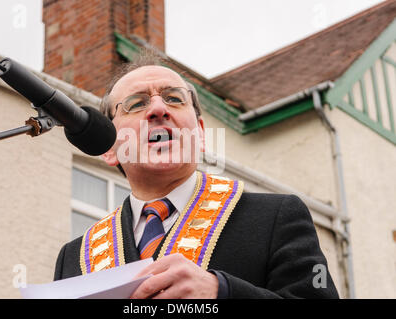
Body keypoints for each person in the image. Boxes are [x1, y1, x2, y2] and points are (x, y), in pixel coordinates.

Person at [54, 53, 339, 299]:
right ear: (108, 146)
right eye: (137, 104)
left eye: (174, 99)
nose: (158, 109)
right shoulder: (75, 256)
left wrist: (222, 291)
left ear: (200, 133)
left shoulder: (276, 218)